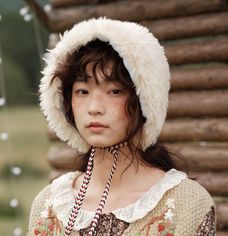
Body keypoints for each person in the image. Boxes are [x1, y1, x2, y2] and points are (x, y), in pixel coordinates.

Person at [28, 18, 216, 236]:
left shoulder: (187, 204)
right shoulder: (48, 206)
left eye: (114, 91)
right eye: (82, 91)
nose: (95, 108)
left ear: (143, 100)